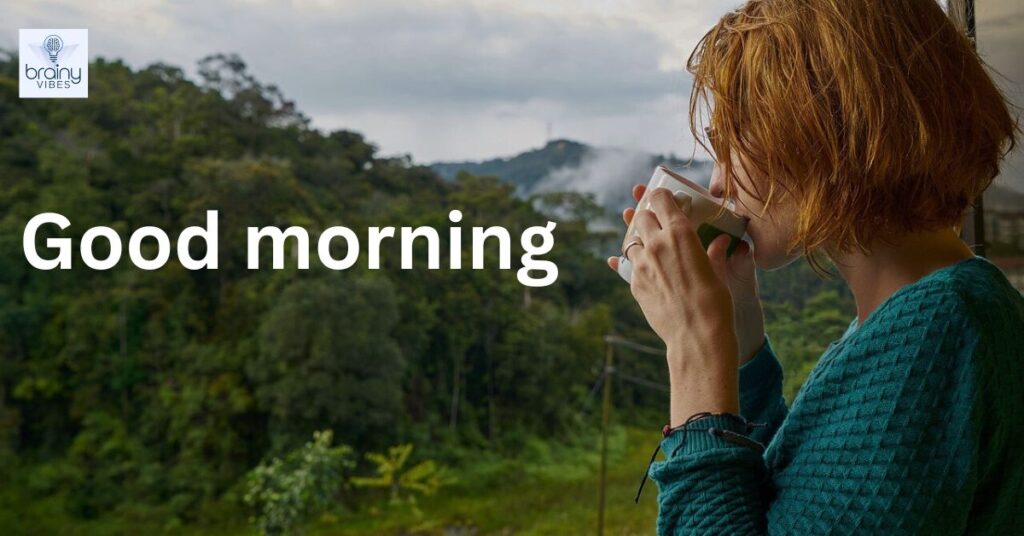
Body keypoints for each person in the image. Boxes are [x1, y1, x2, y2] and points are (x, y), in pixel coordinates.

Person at [605, 0, 1022, 534]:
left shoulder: (937, 330)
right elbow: (804, 500)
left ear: (818, 132)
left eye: (732, 146)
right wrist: (740, 342)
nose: (716, 184)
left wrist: (693, 351)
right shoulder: (925, 313)